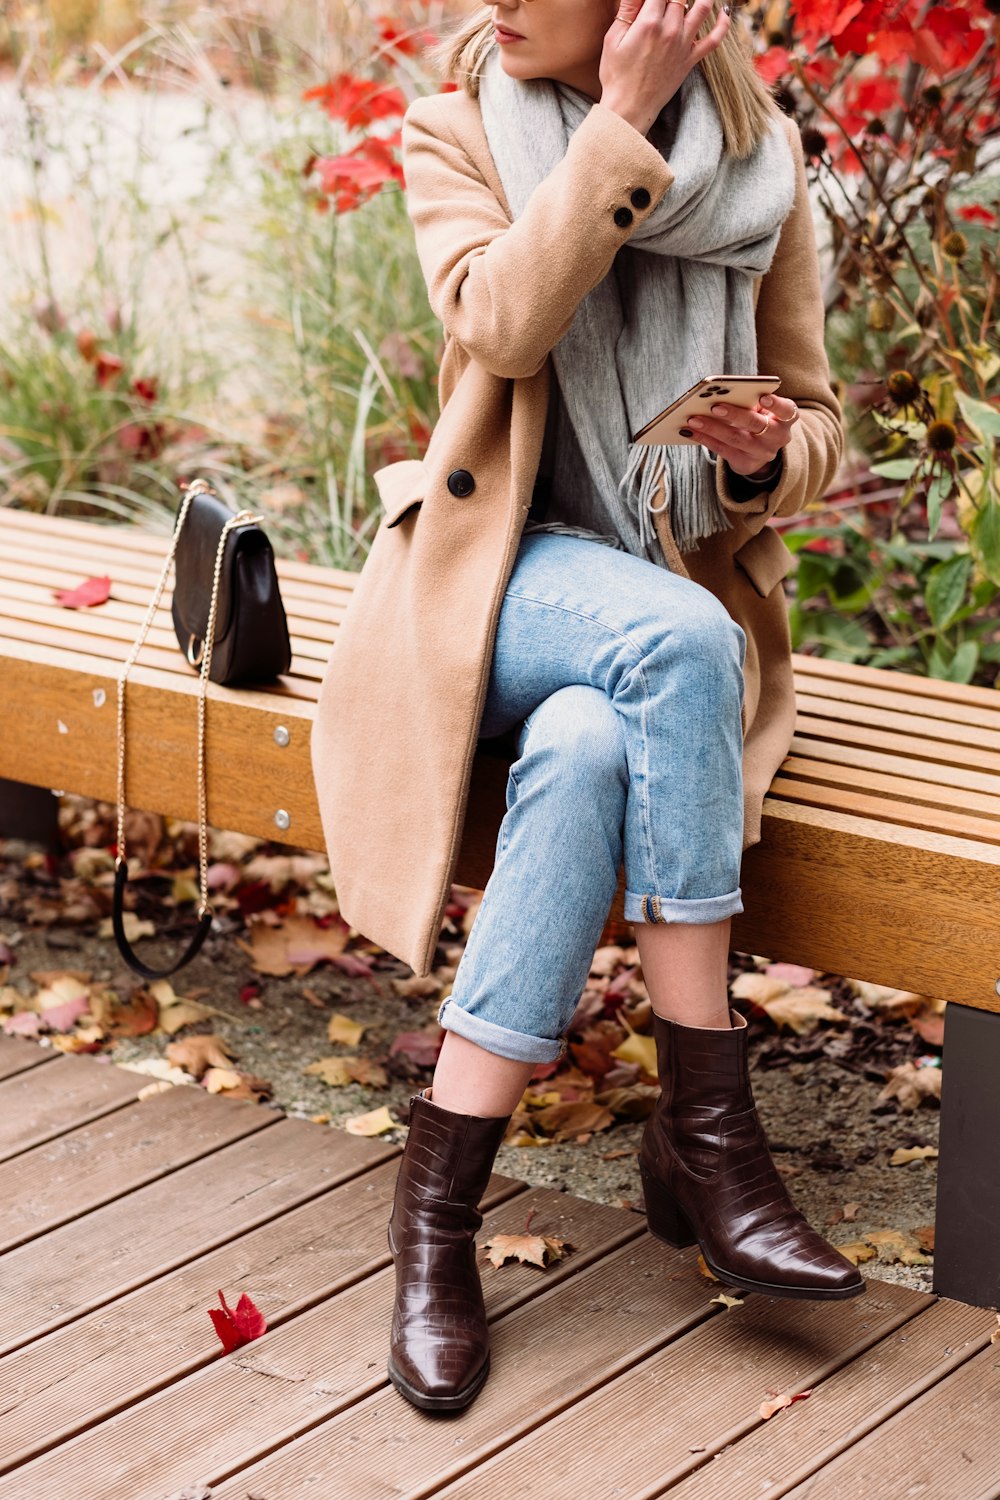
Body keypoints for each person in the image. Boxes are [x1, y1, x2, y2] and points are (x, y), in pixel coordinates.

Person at [309, 0, 865, 1417]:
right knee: (677, 643)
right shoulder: (456, 129)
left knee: (589, 741)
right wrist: (618, 129)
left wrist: (755, 462)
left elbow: (816, 423)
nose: (492, 2)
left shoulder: (764, 167)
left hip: (642, 626)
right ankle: (711, 1127)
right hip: (491, 592)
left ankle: (433, 1217)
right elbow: (499, 319)